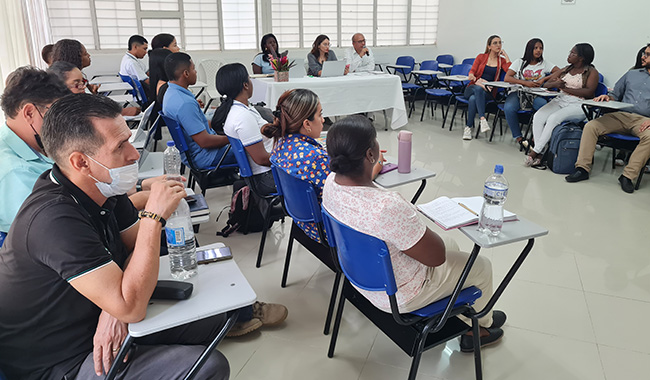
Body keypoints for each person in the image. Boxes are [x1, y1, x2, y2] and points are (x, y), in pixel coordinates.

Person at [0, 93, 230, 380]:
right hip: (61, 359)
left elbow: (136, 245)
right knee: (209, 367)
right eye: (120, 146)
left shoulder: (103, 186)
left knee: (214, 320)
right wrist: (154, 216)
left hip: (95, 317)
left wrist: (113, 311)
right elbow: (132, 302)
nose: (133, 154)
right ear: (81, 162)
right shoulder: (53, 219)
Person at [321, 115, 505, 353]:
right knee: (480, 265)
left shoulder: (331, 183)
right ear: (370, 154)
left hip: (360, 278)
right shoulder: (387, 206)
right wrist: (415, 221)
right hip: (400, 296)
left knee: (451, 245)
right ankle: (479, 329)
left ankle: (458, 312)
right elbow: (436, 257)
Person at [565, 43, 650, 194]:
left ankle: (627, 177)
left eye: (648, 55)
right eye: (644, 53)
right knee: (591, 126)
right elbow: (615, 95)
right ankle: (582, 169)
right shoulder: (632, 74)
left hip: (644, 120)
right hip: (621, 115)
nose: (643, 56)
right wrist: (607, 97)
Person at [0, 67, 70, 235]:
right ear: (30, 112)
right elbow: (56, 231)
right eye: (54, 115)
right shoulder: (15, 172)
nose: (61, 124)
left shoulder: (34, 144)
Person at [525, 43, 599, 167]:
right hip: (560, 100)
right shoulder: (567, 69)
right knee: (538, 116)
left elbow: (589, 92)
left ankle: (535, 152)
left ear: (581, 58)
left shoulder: (592, 72)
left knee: (553, 119)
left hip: (579, 105)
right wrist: (555, 85)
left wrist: (565, 88)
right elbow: (547, 83)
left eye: (573, 53)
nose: (569, 55)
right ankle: (541, 152)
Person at [163, 52, 236, 172]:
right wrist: (233, 138)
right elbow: (204, 141)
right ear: (186, 74)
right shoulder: (185, 103)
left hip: (193, 152)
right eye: (193, 69)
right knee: (250, 148)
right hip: (205, 156)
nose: (195, 72)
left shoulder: (170, 93)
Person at [213, 63, 276, 195]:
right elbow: (262, 159)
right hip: (266, 178)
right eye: (249, 78)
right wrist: (290, 159)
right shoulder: (242, 117)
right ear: (245, 85)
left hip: (263, 173)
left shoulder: (240, 109)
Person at [503, 38, 559, 144]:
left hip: (536, 94)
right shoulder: (519, 62)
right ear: (529, 49)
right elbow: (507, 78)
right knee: (509, 108)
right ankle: (519, 138)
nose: (538, 51)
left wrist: (544, 79)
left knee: (544, 108)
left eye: (541, 48)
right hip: (518, 92)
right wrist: (525, 83)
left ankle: (536, 138)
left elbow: (560, 71)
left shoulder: (544, 63)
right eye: (535, 48)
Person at [48, 61, 141, 117]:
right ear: (58, 88)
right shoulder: (62, 116)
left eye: (83, 82)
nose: (83, 86)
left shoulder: (78, 105)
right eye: (77, 84)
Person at [463, 35, 511, 140]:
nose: (498, 45)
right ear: (489, 46)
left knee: (473, 99)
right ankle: (482, 118)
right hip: (472, 87)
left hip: (488, 92)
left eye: (500, 42)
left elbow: (509, 71)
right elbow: (472, 71)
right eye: (495, 43)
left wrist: (506, 56)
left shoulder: (501, 61)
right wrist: (472, 75)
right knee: (477, 90)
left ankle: (468, 128)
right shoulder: (481, 57)